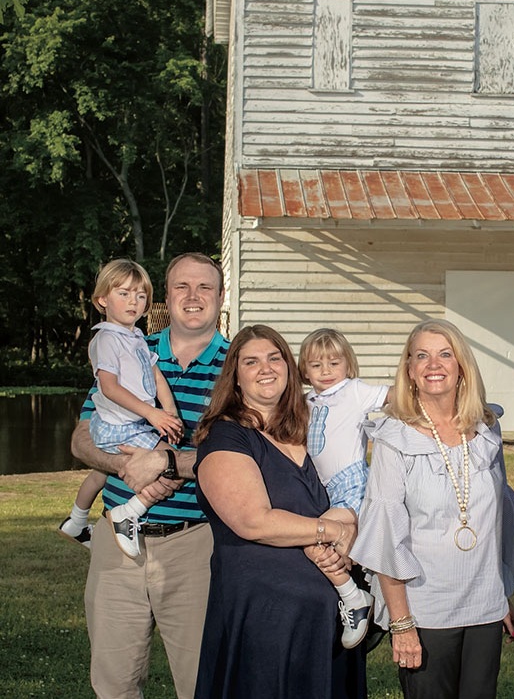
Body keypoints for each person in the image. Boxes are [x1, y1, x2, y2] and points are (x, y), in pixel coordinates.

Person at [70, 252, 229, 699]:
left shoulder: (240, 364)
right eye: (182, 286)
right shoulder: (126, 345)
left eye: (205, 287)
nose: (193, 297)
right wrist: (123, 464)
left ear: (221, 297)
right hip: (116, 545)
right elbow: (82, 437)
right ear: (166, 296)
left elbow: (251, 457)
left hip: (197, 543)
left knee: (202, 683)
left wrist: (166, 462)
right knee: (113, 684)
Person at [352, 319, 514, 699]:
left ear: (461, 365)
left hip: (483, 606)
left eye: (445, 354)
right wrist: (401, 624)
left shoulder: (486, 431)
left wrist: (501, 594)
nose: (435, 364)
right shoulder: (394, 438)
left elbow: (494, 520)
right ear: (410, 371)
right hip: (425, 610)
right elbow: (385, 535)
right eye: (422, 356)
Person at [192, 324, 366, 699]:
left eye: (274, 358)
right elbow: (252, 521)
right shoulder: (227, 436)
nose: (265, 368)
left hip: (328, 624)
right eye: (251, 362)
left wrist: (350, 520)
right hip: (266, 624)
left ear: (290, 367)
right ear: (235, 378)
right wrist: (332, 531)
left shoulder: (310, 431)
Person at [60, 259, 184, 558]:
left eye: (141, 296)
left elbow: (156, 377)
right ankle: (128, 512)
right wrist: (152, 413)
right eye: (124, 293)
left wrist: (170, 413)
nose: (134, 301)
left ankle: (76, 521)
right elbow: (109, 387)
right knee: (174, 464)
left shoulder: (136, 338)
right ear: (102, 299)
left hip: (128, 423)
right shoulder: (106, 339)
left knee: (101, 473)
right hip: (120, 426)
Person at [298, 327, 392, 647]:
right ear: (304, 370)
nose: (326, 371)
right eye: (316, 365)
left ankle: (355, 599)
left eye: (334, 363)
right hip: (319, 487)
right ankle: (360, 596)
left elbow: (396, 397)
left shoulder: (355, 390)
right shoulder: (304, 401)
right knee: (330, 547)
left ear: (348, 366)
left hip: (350, 485)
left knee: (312, 538)